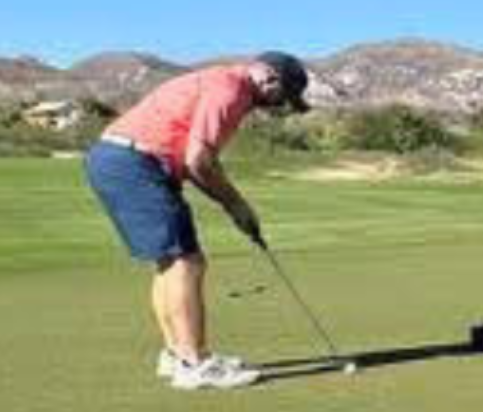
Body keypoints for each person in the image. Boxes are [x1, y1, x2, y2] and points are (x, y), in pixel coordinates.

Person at [82, 52, 311, 390]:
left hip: (121, 160)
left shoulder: (222, 82)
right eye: (283, 96)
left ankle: (177, 353)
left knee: (171, 261)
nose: (278, 105)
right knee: (186, 262)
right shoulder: (231, 89)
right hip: (135, 162)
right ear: (269, 78)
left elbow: (194, 159)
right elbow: (199, 160)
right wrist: (237, 205)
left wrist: (231, 204)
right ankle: (195, 362)